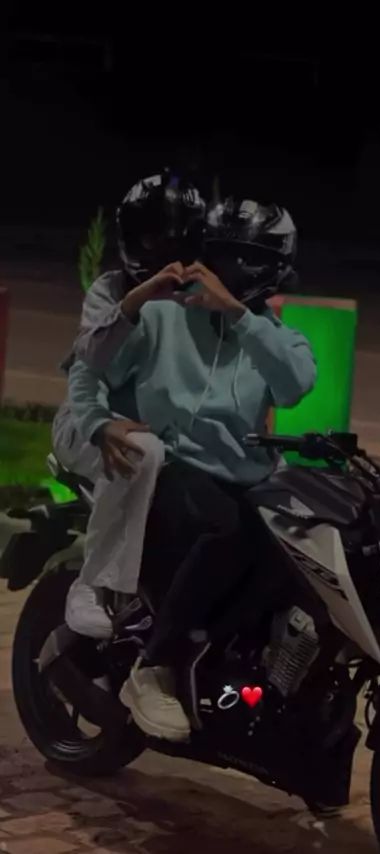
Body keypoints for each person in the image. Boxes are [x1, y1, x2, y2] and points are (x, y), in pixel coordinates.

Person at [70, 196, 317, 741]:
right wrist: (95, 421)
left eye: (253, 259)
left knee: (298, 548)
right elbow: (92, 363)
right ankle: (155, 668)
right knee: (225, 528)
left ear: (277, 266)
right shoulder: (164, 313)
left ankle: (240, 672)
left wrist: (239, 316)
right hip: (173, 466)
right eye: (226, 254)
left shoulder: (269, 334)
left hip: (245, 476)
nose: (237, 269)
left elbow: (296, 384)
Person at [52, 170, 206, 638]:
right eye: (155, 235)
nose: (166, 250)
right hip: (88, 425)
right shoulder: (110, 290)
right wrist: (139, 300)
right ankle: (92, 585)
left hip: (159, 431)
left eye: (178, 238)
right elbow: (90, 359)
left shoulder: (199, 302)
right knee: (141, 451)